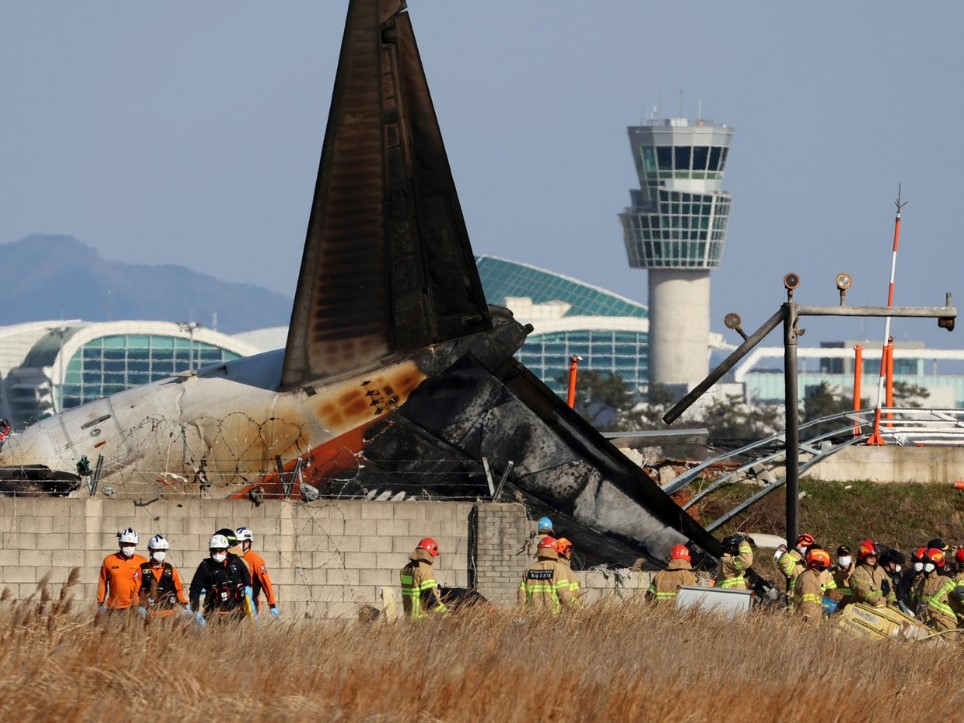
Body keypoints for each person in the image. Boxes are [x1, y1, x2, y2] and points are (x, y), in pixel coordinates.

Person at [189, 533, 254, 624]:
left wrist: (248, 587)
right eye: (214, 551)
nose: (217, 554)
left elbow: (245, 574)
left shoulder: (236, 561)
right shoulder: (205, 566)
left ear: (227, 550)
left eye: (220, 551)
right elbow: (195, 589)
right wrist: (194, 610)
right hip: (213, 615)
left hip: (236, 614)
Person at [97, 527, 148, 615]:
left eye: (132, 544)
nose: (129, 547)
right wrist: (100, 603)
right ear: (120, 544)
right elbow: (102, 582)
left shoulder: (142, 561)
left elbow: (147, 584)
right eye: (126, 544)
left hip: (135, 607)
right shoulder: (109, 560)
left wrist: (144, 604)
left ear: (136, 545)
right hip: (114, 608)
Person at [137, 534, 189, 619]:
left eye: (163, 550)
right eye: (157, 550)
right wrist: (138, 606)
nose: (160, 553)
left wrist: (185, 604)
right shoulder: (141, 569)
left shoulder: (172, 570)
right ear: (150, 550)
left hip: (169, 615)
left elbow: (178, 590)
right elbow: (135, 590)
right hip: (148, 614)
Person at [519, 536, 574, 613]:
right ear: (554, 551)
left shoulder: (529, 570)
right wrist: (579, 611)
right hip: (553, 618)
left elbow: (522, 597)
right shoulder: (558, 569)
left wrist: (521, 614)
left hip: (532, 617)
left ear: (540, 551)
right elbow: (565, 594)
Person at [236, 527, 280, 619]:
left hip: (251, 606)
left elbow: (266, 583)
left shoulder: (256, 561)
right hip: (234, 604)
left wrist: (272, 605)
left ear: (247, 543)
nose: (236, 545)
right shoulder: (232, 558)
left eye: (239, 542)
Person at [399, 537, 448, 620]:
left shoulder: (406, 569)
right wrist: (444, 612)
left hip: (409, 617)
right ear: (430, 553)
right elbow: (428, 595)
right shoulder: (424, 569)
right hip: (421, 618)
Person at [912, 547, 958, 632]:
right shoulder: (921, 582)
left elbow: (957, 603)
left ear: (937, 564)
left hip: (943, 624)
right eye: (925, 562)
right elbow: (915, 602)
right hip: (923, 623)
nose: (925, 565)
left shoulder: (944, 581)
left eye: (929, 563)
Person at [793, 548, 836, 624]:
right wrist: (810, 625)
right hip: (809, 623)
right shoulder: (810, 580)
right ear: (819, 565)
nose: (825, 569)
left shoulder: (807, 575)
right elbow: (808, 606)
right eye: (824, 566)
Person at [849, 539, 894, 609]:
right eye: (870, 556)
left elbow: (889, 588)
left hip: (882, 610)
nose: (873, 559)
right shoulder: (858, 572)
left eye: (875, 556)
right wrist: (876, 602)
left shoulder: (880, 570)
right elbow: (863, 591)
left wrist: (892, 602)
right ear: (863, 557)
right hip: (866, 611)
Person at [775, 533, 815, 598]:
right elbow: (787, 566)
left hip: (813, 603)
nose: (801, 547)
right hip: (796, 603)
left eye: (805, 545)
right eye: (801, 545)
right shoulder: (793, 558)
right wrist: (783, 554)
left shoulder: (815, 562)